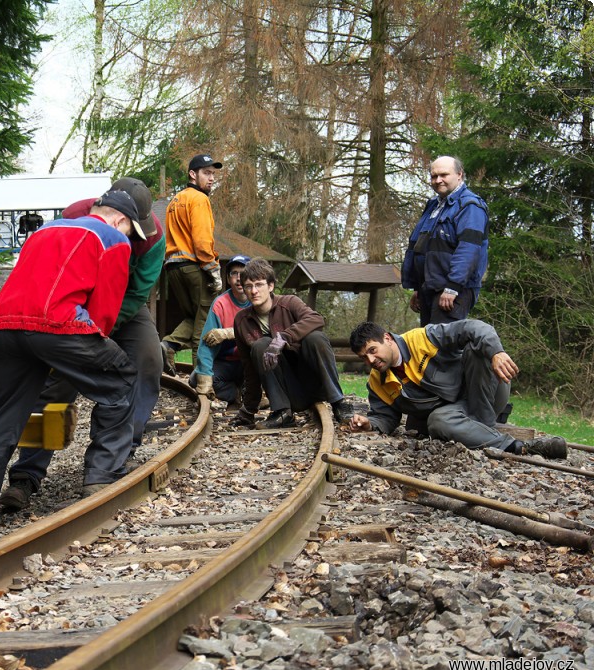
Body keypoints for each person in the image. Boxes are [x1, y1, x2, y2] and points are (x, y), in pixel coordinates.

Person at [0, 190, 143, 543]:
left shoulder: (43, 231)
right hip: (58, 325)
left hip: (2, 329)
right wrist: (85, 357)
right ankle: (101, 479)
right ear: (121, 221)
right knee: (121, 381)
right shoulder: (114, 239)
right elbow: (104, 313)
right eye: (131, 231)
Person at [0, 178, 165, 512]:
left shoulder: (154, 239)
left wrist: (105, 330)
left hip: (124, 310)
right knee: (56, 380)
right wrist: (81, 335)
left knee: (148, 360)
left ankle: (112, 459)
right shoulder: (75, 214)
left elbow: (136, 293)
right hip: (76, 307)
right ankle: (26, 475)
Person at [346, 320, 567, 458]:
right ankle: (521, 448)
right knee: (438, 421)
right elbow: (385, 417)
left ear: (387, 338)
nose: (371, 359)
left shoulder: (423, 338)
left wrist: (496, 352)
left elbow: (475, 327)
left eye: (373, 350)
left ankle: (484, 431)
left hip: (488, 392)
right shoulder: (377, 382)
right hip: (454, 414)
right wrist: (370, 424)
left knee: (476, 347)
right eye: (364, 357)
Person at [230, 259, 352, 429]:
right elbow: (249, 369)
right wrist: (248, 411)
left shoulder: (289, 303)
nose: (254, 291)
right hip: (291, 394)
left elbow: (316, 319)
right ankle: (282, 413)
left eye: (259, 284)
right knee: (260, 345)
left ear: (270, 286)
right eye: (249, 286)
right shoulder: (242, 321)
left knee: (315, 337)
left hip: (316, 385)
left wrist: (283, 338)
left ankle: (339, 403)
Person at [402, 156, 489, 327]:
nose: (437, 180)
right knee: (428, 347)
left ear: (459, 175)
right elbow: (422, 247)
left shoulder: (470, 206)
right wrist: (418, 289)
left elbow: (468, 250)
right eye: (434, 176)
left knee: (444, 349)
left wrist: (453, 287)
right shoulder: (433, 205)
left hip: (453, 291)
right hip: (430, 289)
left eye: (443, 175)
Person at [161, 153, 223, 373]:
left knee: (193, 316)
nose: (212, 178)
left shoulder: (175, 200)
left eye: (213, 174)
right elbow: (202, 240)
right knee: (205, 323)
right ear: (192, 174)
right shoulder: (199, 199)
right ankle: (202, 379)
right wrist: (214, 271)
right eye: (207, 173)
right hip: (194, 267)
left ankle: (169, 345)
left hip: (173, 267)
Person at [190, 254, 252, 404]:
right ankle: (234, 393)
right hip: (225, 362)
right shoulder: (220, 304)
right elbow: (205, 344)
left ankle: (253, 391)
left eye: (243, 273)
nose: (238, 278)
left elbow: (263, 333)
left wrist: (229, 333)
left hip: (250, 363)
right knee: (195, 378)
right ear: (228, 278)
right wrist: (204, 379)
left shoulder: (258, 299)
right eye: (234, 273)